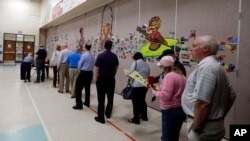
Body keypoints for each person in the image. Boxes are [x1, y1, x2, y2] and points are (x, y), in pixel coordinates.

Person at [181, 35, 236, 141]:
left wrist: (197, 128)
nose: (191, 49)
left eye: (194, 46)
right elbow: (232, 94)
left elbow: (203, 104)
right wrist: (221, 116)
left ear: (205, 48)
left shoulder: (207, 68)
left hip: (204, 127)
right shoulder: (216, 66)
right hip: (211, 123)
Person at [149, 55, 186, 141]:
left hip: (170, 110)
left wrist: (152, 91)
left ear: (164, 67)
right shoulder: (181, 74)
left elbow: (166, 96)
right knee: (174, 136)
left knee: (167, 137)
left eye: (161, 66)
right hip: (180, 109)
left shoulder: (169, 76)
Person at [94, 40, 119, 123]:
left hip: (102, 79)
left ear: (104, 46)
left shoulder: (100, 56)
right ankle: (108, 113)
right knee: (110, 97)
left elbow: (97, 69)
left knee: (101, 99)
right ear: (111, 46)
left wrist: (96, 79)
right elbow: (116, 67)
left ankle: (101, 118)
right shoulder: (114, 56)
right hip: (111, 79)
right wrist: (113, 75)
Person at [127, 52, 150, 125]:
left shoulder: (136, 63)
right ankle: (144, 116)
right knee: (142, 101)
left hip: (137, 86)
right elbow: (148, 75)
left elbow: (130, 73)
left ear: (135, 57)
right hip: (145, 85)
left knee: (136, 102)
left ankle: (136, 119)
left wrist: (129, 76)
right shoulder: (146, 64)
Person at [73, 44, 95, 110]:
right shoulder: (93, 55)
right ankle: (87, 102)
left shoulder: (84, 55)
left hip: (83, 73)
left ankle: (79, 105)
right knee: (87, 88)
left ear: (85, 48)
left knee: (78, 88)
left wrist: (80, 71)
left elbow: (79, 65)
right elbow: (94, 64)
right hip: (90, 73)